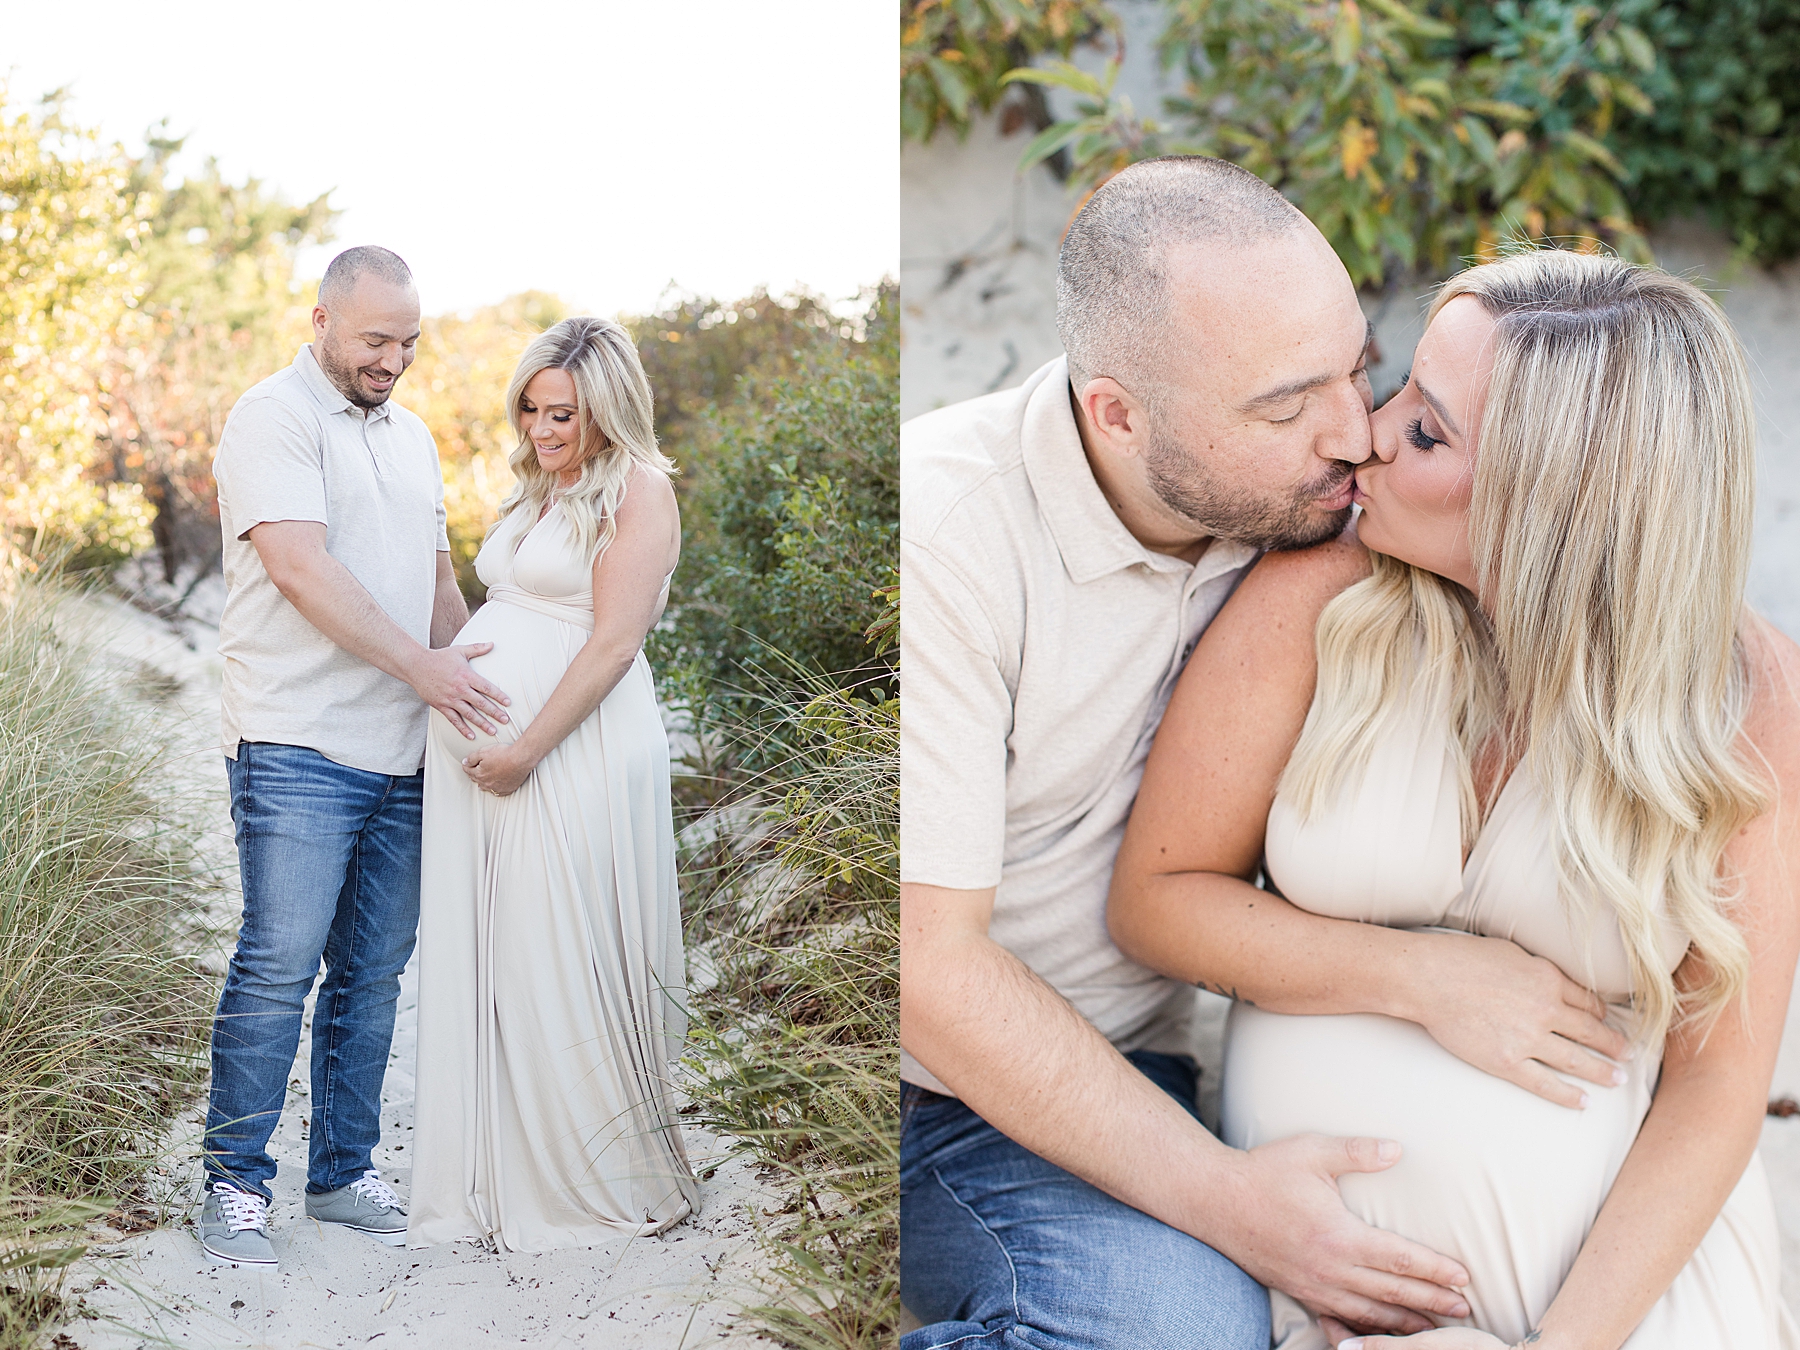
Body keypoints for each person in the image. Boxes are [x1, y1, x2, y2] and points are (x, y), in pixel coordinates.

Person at [899, 158, 1638, 1344]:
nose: (1358, 434)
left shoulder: (1319, 518)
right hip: (942, 1093)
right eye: (1287, 405)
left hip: (1130, 1064)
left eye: (1358, 363)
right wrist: (1233, 1206)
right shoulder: (944, 540)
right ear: (1120, 416)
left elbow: (1596, 547)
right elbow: (926, 977)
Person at [1108, 248, 1800, 1347]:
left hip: (1625, 1309)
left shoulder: (1747, 701)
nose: (1369, 433)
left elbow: (1719, 1090)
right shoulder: (1320, 598)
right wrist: (1421, 978)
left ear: (1558, 502)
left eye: (1428, 430)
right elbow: (1157, 898)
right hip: (1332, 1296)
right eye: (1402, 386)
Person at [201, 246, 510, 1268]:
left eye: (409, 342)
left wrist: (468, 689)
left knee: (373, 973)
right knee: (279, 963)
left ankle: (340, 1174)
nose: (393, 360)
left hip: (404, 750)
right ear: (323, 319)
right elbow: (298, 567)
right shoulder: (271, 418)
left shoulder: (415, 437)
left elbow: (435, 584)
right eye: (376, 339)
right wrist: (424, 669)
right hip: (296, 739)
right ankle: (236, 1186)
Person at [407, 316, 697, 1252]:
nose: (542, 427)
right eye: (530, 408)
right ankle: (500, 1170)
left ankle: (587, 1178)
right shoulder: (540, 489)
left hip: (572, 752)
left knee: (556, 955)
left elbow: (614, 640)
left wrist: (526, 746)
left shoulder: (640, 489)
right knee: (501, 960)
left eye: (562, 411)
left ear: (607, 407)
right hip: (501, 759)